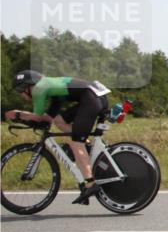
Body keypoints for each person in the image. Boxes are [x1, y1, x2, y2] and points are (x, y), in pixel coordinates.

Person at [4, 70, 111, 204]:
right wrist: (31, 119)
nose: (21, 96)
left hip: (92, 98)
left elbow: (37, 116)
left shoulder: (39, 88)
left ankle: (90, 184)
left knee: (76, 143)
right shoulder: (52, 89)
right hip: (95, 97)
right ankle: (87, 147)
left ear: (26, 88)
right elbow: (49, 118)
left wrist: (17, 114)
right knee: (59, 120)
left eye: (19, 92)